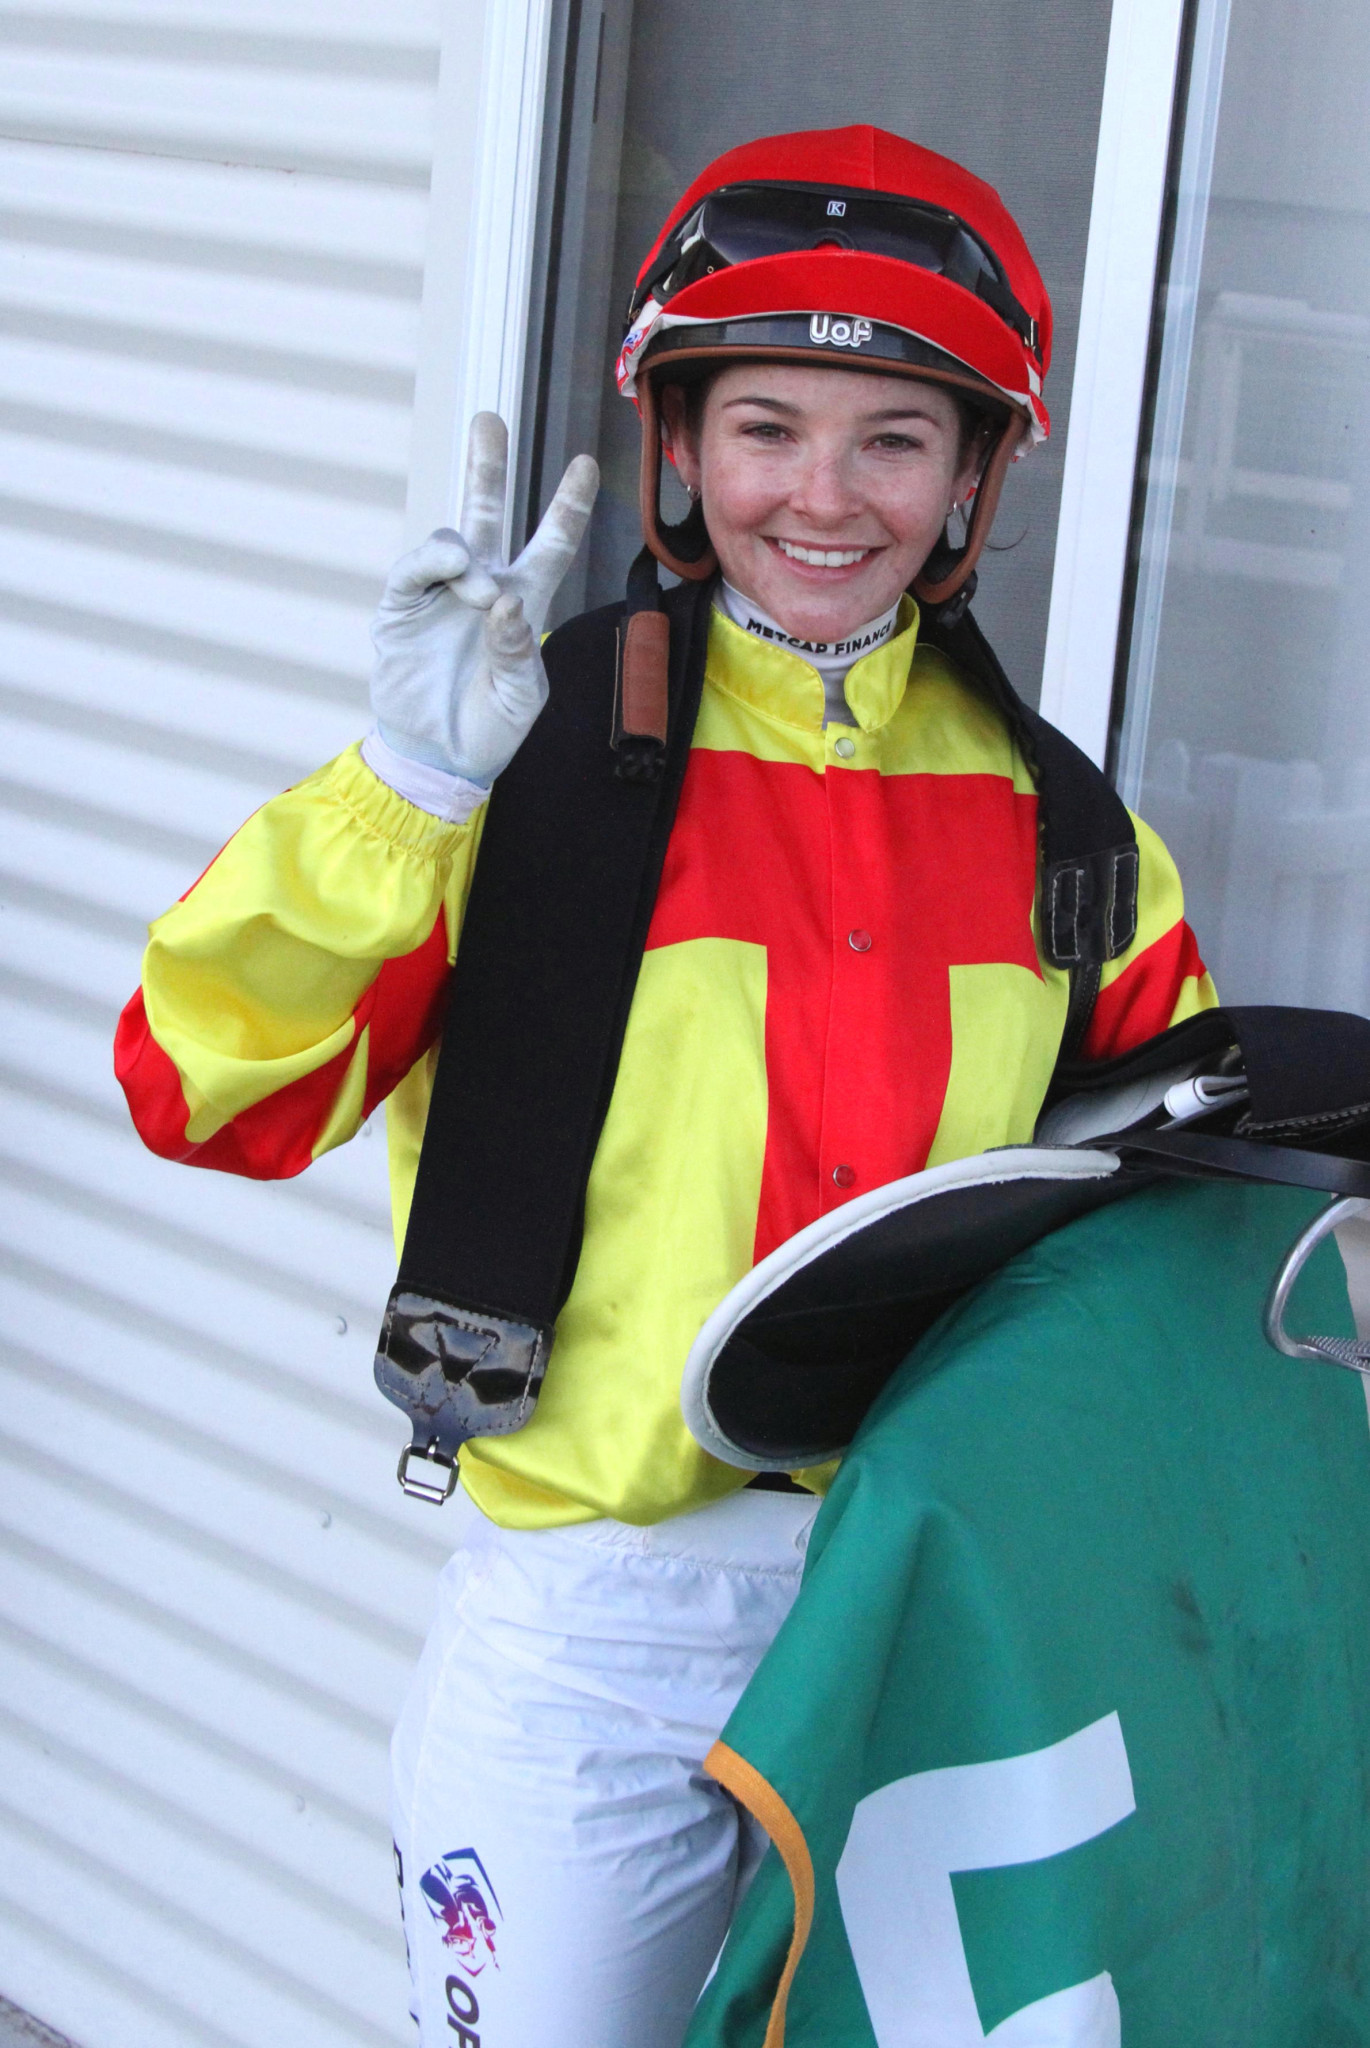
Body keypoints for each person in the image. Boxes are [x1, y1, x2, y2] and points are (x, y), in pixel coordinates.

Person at [115, 124, 1216, 2047]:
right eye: (766, 425)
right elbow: (209, 1095)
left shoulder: (1070, 832)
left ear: (972, 477)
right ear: (679, 453)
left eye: (893, 437)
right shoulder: (524, 746)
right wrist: (409, 791)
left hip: (926, 1607)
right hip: (591, 1625)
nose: (825, 492)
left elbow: (1159, 1250)